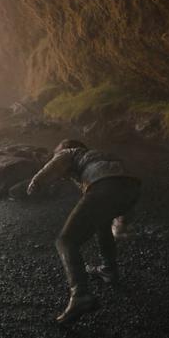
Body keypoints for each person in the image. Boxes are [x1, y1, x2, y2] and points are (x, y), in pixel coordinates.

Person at [27, 139, 140, 324]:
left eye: (56, 152)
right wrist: (123, 219)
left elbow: (56, 164)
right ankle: (109, 269)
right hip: (132, 188)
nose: (55, 155)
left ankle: (80, 295)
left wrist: (36, 182)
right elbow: (122, 183)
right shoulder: (101, 156)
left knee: (65, 241)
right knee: (102, 225)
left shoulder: (70, 152)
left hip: (104, 187)